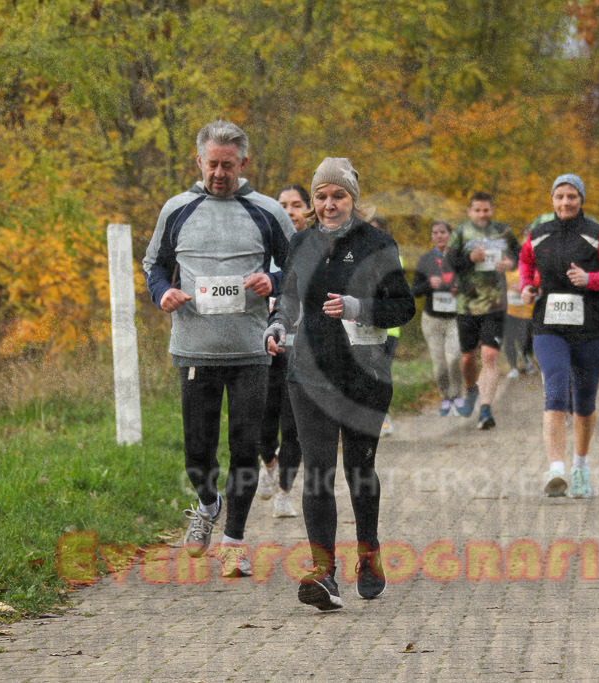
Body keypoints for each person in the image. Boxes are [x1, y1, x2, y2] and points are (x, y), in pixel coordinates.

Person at [142, 120, 294, 578]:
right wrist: (161, 293)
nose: (220, 174)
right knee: (197, 455)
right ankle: (210, 503)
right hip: (194, 349)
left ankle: (234, 541)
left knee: (244, 447)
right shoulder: (178, 210)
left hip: (251, 351)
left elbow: (301, 267)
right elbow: (154, 265)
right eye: (212, 165)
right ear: (198, 161)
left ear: (244, 163)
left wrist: (276, 281)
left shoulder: (267, 211)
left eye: (229, 165)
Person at [264, 158, 415, 611]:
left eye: (338, 196)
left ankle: (368, 555)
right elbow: (288, 299)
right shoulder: (302, 242)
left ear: (353, 198)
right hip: (308, 373)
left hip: (364, 375)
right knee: (318, 471)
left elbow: (403, 308)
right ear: (313, 201)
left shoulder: (376, 242)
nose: (329, 205)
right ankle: (323, 572)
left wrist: (357, 306)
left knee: (359, 471)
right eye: (322, 197)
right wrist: (275, 327)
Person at [519, 174, 599, 498]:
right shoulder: (539, 235)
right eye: (559, 197)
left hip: (590, 328)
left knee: (584, 401)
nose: (565, 202)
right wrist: (527, 286)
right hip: (548, 326)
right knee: (554, 387)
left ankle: (580, 466)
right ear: (552, 200)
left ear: (581, 199)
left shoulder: (596, 234)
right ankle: (556, 470)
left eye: (571, 196)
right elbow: (526, 262)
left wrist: (590, 278)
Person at [257, 184, 312, 519]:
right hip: (264, 348)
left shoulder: (317, 248)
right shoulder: (262, 250)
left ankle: (284, 492)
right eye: (283, 205)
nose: (290, 211)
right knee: (262, 424)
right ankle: (270, 464)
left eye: (296, 205)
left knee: (294, 427)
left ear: (307, 210)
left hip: (304, 350)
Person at [446, 191, 520, 429]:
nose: (482, 214)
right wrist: (470, 258)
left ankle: (486, 410)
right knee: (467, 358)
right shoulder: (460, 233)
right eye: (477, 210)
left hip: (495, 304)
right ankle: (471, 391)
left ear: (492, 210)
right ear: (469, 211)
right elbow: (448, 263)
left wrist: (510, 263)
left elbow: (521, 256)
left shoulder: (504, 231)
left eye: (486, 210)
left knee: (489, 356)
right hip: (466, 305)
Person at [411, 219, 463, 415]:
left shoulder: (459, 258)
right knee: (440, 363)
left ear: (450, 235)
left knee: (454, 358)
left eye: (442, 232)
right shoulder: (425, 260)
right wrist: (428, 285)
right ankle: (446, 397)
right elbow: (414, 290)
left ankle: (457, 395)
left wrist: (460, 289)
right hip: (432, 319)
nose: (439, 236)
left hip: (454, 319)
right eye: (435, 233)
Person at [369, 215, 401, 437]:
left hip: (388, 328)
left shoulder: (392, 256)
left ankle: (384, 416)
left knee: (381, 371)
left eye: (376, 230)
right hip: (360, 327)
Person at [503, 264, 535, 378]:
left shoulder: (526, 269)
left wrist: (522, 286)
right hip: (508, 312)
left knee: (525, 338)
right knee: (509, 340)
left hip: (525, 311)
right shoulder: (502, 272)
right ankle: (513, 367)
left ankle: (528, 362)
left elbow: (535, 284)